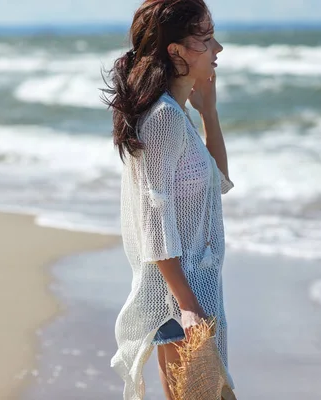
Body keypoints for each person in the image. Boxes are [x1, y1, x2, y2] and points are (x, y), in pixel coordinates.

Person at [102, 0, 234, 398]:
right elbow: (154, 221)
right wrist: (187, 306)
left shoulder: (179, 115)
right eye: (206, 39)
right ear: (176, 51)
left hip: (196, 288)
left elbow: (221, 181)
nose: (218, 50)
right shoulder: (162, 119)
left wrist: (208, 113)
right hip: (178, 299)